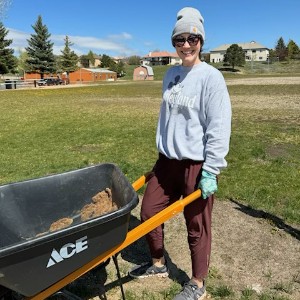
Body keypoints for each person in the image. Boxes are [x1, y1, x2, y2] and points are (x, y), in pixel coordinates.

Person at [129, 6, 232, 300]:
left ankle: (198, 284)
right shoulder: (171, 74)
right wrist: (162, 148)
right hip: (166, 163)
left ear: (201, 41)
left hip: (196, 165)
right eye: (179, 40)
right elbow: (168, 119)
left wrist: (211, 170)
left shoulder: (211, 78)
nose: (186, 45)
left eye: (192, 39)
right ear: (174, 43)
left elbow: (219, 126)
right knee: (148, 212)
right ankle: (159, 264)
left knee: (196, 225)